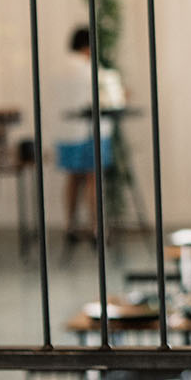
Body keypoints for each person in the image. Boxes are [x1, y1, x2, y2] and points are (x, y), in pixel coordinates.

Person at [47, 25, 125, 242]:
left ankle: (69, 226)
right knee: (93, 179)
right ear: (88, 46)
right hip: (90, 132)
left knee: (72, 179)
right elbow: (105, 98)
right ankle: (96, 228)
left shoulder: (58, 68)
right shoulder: (91, 70)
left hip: (65, 133)